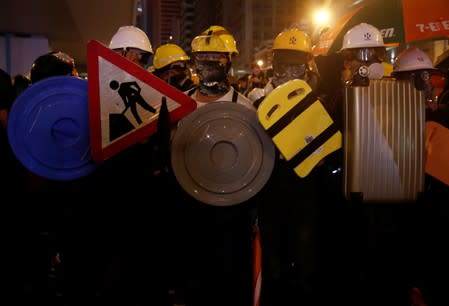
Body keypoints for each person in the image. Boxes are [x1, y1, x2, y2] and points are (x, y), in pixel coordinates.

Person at [247, 26, 347, 305]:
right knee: (274, 264)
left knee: (307, 264)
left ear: (307, 66)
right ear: (274, 64)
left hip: (307, 192)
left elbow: (332, 151)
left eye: (296, 64)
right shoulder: (258, 102)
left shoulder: (322, 103)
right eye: (284, 64)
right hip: (270, 190)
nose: (290, 71)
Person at [171, 25, 255, 306]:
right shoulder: (180, 106)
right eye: (202, 57)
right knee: (196, 279)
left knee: (231, 278)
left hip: (233, 209)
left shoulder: (245, 108)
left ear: (229, 61)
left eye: (216, 57)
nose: (208, 63)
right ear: (194, 61)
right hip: (191, 207)